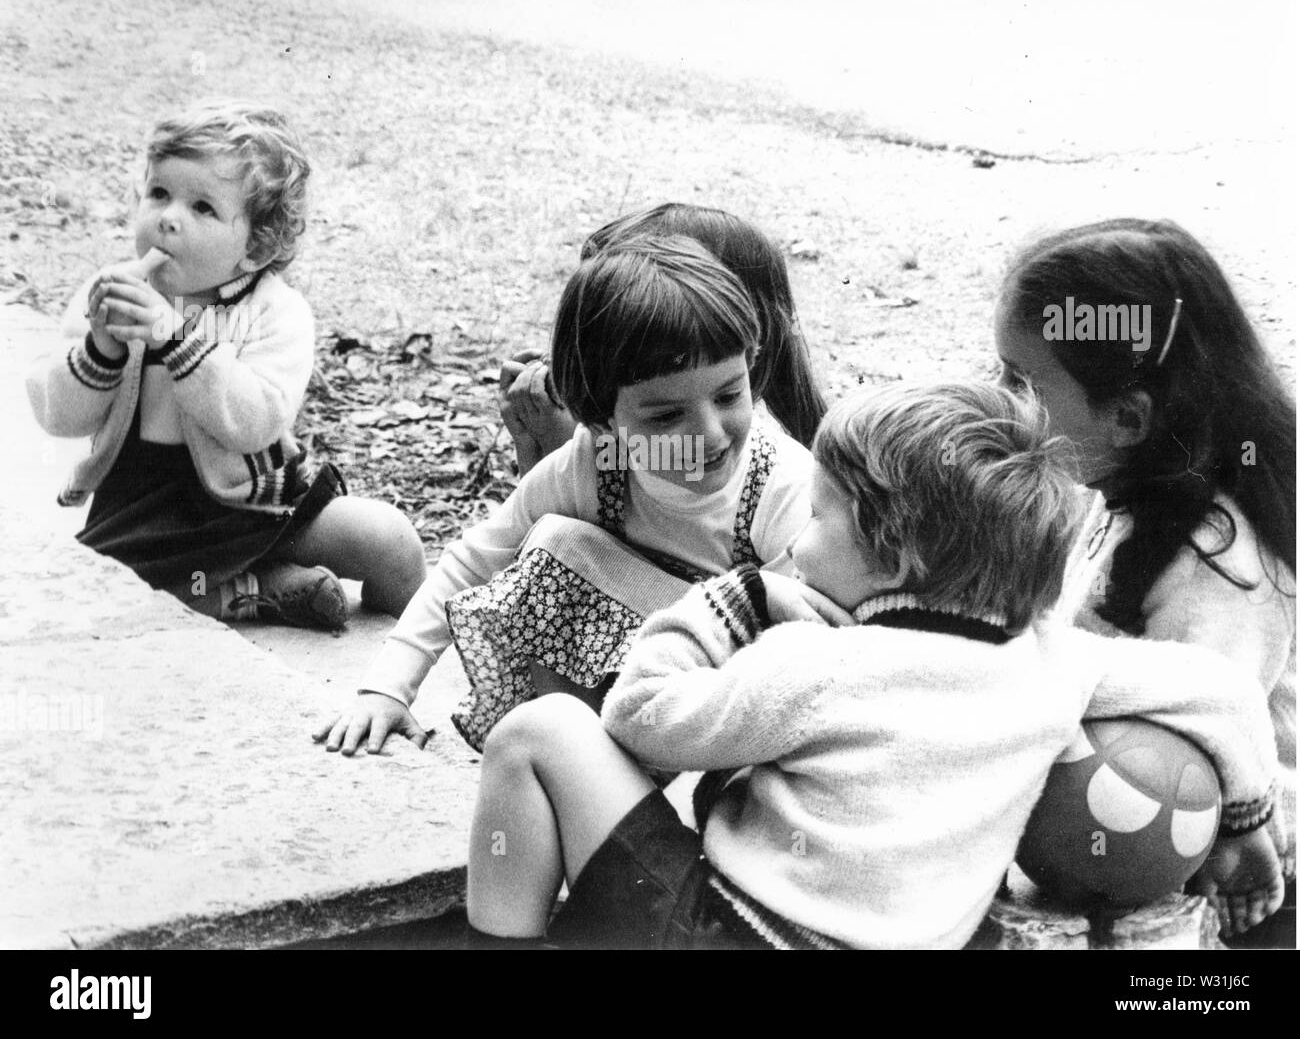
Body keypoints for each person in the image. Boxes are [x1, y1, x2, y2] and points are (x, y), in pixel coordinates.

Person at [463, 381, 1281, 949]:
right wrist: (1245, 829)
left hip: (728, 936)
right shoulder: (1055, 661)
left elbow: (640, 717)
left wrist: (730, 606)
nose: (794, 544)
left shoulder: (819, 664)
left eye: (818, 518)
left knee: (540, 732)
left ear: (890, 554)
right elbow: (1225, 695)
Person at [315, 235, 813, 756]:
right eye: (667, 416)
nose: (710, 434)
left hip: (727, 700)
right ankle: (573, 756)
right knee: (554, 542)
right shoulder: (597, 465)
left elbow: (799, 653)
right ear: (602, 421)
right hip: (623, 697)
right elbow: (473, 561)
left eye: (729, 395)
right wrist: (387, 687)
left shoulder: (780, 484)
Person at [995, 217, 1295, 942]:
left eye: (1020, 382)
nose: (1000, 400)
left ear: (1127, 417)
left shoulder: (1215, 561)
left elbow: (1210, 724)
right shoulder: (1128, 484)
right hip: (1140, 811)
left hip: (1230, 856)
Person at [26, 101, 426, 630]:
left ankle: (413, 650)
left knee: (392, 542)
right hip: (151, 513)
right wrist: (102, 349)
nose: (168, 217)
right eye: (159, 193)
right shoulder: (112, 294)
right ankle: (252, 593)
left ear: (256, 247)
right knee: (114, 596)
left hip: (258, 503)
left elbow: (254, 420)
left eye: (202, 208)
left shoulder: (275, 313)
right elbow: (58, 415)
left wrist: (176, 337)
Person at [500, 202, 826, 475]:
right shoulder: (637, 435)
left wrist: (566, 444)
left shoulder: (754, 464)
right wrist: (538, 445)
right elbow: (541, 529)